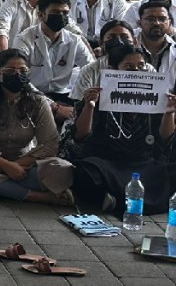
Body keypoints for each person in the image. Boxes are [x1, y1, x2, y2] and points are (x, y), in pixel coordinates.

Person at [71, 44, 175, 214]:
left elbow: (165, 138)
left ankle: (115, 201)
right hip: (108, 164)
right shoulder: (99, 96)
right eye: (129, 67)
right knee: (84, 174)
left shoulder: (156, 97)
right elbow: (81, 135)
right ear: (113, 69)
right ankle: (124, 201)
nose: (136, 71)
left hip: (145, 164)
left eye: (141, 66)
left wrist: (169, 112)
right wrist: (89, 106)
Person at [0, 49, 75, 204]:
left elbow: (50, 144)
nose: (17, 75)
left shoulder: (38, 101)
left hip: (25, 167)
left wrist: (15, 166)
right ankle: (39, 197)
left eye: (23, 71)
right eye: (10, 71)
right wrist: (4, 165)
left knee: (63, 168)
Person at [138, 1, 175, 75]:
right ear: (139, 23)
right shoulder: (129, 44)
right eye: (150, 19)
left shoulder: (174, 48)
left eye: (162, 19)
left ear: (169, 23)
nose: (156, 23)